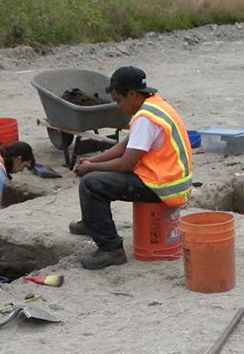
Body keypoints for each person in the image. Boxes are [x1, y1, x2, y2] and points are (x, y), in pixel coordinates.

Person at [68, 66, 193, 270]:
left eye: (119, 100)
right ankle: (93, 222)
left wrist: (91, 169)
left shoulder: (145, 118)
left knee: (92, 183)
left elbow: (127, 162)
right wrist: (93, 162)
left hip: (162, 187)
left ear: (133, 94)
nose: (118, 106)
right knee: (93, 174)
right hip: (168, 179)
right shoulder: (155, 105)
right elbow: (124, 146)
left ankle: (111, 249)